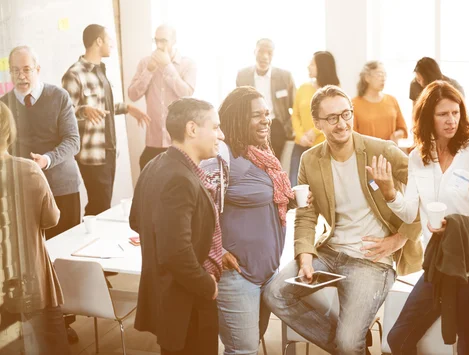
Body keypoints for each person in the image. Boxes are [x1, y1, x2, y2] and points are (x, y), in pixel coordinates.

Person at [264, 85, 423, 354]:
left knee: (349, 342)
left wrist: (399, 239)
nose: (342, 124)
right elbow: (305, 213)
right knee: (274, 294)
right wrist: (304, 255)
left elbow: (425, 193)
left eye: (346, 114)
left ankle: (350, 345)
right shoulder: (310, 160)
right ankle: (349, 347)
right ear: (317, 124)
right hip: (329, 253)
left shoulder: (381, 150)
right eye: (332, 118)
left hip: (371, 260)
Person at [386, 80, 469, 355]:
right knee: (398, 338)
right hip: (437, 266)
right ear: (428, 117)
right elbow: (410, 211)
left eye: (456, 112)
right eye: (443, 114)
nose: (451, 120)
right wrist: (390, 192)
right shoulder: (418, 157)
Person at [202, 86, 294, 354]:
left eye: (266, 113)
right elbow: (195, 209)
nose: (266, 120)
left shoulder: (261, 154)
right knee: (242, 351)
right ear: (238, 118)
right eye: (257, 115)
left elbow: (264, 196)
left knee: (251, 346)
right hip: (238, 276)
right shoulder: (223, 155)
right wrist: (215, 250)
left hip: (267, 272)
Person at [130, 98, 224, 355]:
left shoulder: (155, 164)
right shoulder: (180, 179)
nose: (220, 135)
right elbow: (175, 252)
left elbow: (135, 220)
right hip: (188, 300)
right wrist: (207, 285)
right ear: (192, 129)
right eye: (215, 127)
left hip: (171, 296)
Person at [0, 101, 70, 354]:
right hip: (31, 280)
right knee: (51, 346)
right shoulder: (28, 170)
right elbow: (51, 219)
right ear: (9, 132)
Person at [62, 24, 150, 216]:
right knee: (99, 205)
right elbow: (64, 113)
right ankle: (89, 242)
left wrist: (127, 108)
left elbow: (102, 106)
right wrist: (84, 110)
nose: (111, 44)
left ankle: (93, 240)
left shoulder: (101, 72)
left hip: (109, 150)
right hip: (91, 153)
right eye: (108, 40)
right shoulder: (74, 74)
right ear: (98, 41)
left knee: (102, 203)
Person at [1, 45, 80, 240]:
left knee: (65, 251)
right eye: (15, 70)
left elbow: (73, 141)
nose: (21, 76)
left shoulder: (59, 96)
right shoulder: (3, 105)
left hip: (62, 187)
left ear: (37, 69)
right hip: (22, 189)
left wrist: (47, 160)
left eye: (26, 69)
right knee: (31, 254)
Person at [128, 24, 197, 170]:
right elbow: (132, 95)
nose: (159, 45)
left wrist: (167, 66)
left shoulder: (187, 64)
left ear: (174, 41)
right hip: (153, 142)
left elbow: (186, 94)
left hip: (178, 142)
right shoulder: (146, 63)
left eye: (164, 41)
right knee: (149, 186)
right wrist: (149, 70)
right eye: (156, 40)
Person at [236, 38, 296, 160]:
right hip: (251, 125)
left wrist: (289, 128)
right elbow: (238, 105)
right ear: (254, 52)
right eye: (261, 52)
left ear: (273, 55)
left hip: (277, 126)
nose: (264, 57)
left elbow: (295, 106)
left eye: (269, 53)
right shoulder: (242, 75)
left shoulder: (285, 77)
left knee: (274, 162)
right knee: (254, 162)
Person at [289, 51, 340, 186]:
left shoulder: (334, 91)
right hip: (301, 145)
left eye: (312, 64)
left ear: (322, 67)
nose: (308, 67)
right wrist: (301, 136)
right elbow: (295, 114)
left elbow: (334, 117)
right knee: (294, 185)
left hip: (324, 145)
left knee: (321, 186)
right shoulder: (303, 88)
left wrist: (314, 131)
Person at [353, 60, 408, 142]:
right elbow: (352, 136)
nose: (383, 78)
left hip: (390, 152)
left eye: (384, 75)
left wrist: (397, 135)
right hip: (366, 153)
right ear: (367, 78)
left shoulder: (392, 100)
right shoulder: (354, 104)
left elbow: (402, 129)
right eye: (379, 74)